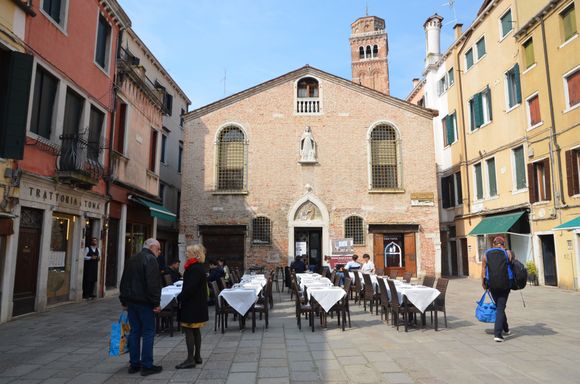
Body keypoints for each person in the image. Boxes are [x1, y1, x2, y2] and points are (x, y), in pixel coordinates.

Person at [119, 238, 163, 376]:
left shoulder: (132, 258)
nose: (159, 252)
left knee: (135, 332)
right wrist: (156, 303)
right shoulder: (150, 259)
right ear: (151, 247)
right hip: (144, 303)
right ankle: (147, 365)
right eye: (158, 249)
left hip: (132, 302)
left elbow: (124, 281)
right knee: (148, 332)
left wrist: (124, 300)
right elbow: (153, 284)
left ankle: (134, 364)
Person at [175, 245, 209, 369]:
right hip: (197, 305)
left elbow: (190, 288)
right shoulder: (198, 267)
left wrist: (180, 297)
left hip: (192, 305)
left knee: (189, 330)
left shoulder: (194, 269)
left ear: (195, 254)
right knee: (196, 330)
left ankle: (190, 359)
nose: (186, 254)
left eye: (188, 252)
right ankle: (197, 356)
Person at [482, 235, 513, 343]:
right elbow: (513, 264)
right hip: (505, 284)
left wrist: (484, 284)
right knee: (500, 307)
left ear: (493, 244)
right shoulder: (507, 253)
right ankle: (498, 334)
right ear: (503, 244)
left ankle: (506, 328)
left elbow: (483, 270)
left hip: (492, 285)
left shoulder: (486, 254)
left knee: (500, 306)